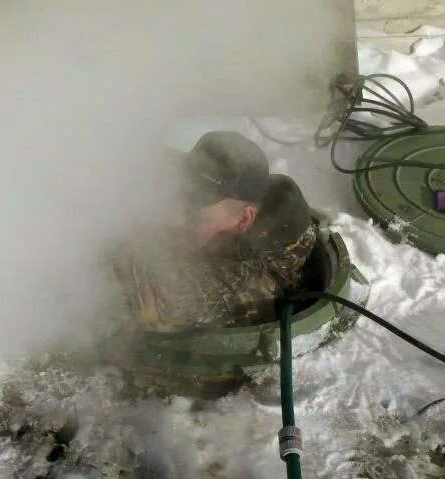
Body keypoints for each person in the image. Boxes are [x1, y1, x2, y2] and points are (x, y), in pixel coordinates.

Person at [115, 131, 317, 332]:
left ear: (242, 221)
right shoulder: (225, 206)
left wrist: (128, 235)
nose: (172, 219)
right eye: (178, 199)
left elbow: (161, 308)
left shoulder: (254, 278)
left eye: (193, 216)